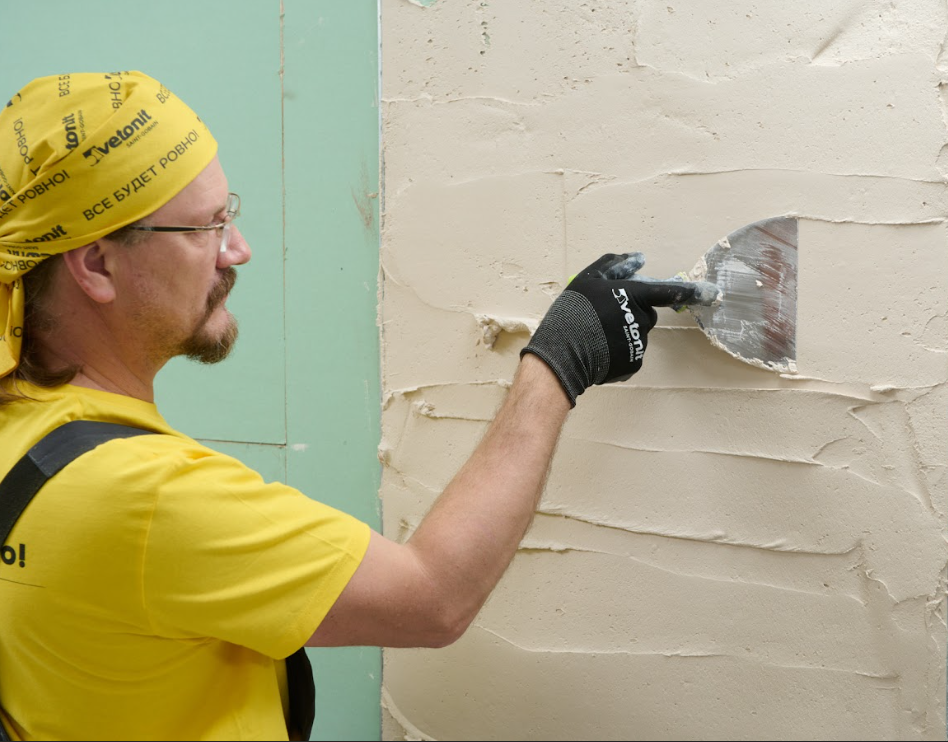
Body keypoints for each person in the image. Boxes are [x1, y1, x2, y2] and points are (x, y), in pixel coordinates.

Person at [0, 72, 716, 741]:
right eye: (206, 228)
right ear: (95, 265)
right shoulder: (146, 499)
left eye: (230, 217)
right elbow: (433, 598)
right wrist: (559, 363)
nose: (237, 250)